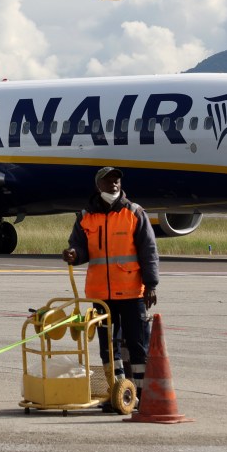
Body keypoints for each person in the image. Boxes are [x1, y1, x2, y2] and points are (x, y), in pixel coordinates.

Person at [61, 167, 160, 397]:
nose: (114, 184)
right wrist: (74, 254)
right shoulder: (86, 216)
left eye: (117, 180)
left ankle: (141, 394)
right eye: (108, 181)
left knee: (137, 345)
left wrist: (151, 285)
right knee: (107, 347)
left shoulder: (134, 213)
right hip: (101, 296)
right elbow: (79, 246)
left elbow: (149, 251)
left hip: (132, 292)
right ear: (98, 186)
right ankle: (116, 392)